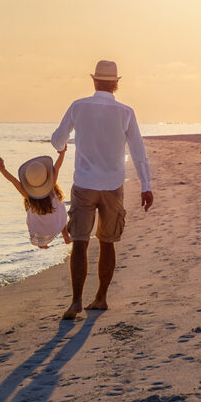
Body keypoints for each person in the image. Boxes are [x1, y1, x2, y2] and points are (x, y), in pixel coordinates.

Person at [51, 60, 153, 320]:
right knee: (108, 243)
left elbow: (57, 140)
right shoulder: (126, 112)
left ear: (94, 81)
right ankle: (101, 298)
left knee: (80, 243)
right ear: (116, 84)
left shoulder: (78, 106)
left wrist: (63, 146)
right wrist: (146, 185)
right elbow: (138, 152)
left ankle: (75, 302)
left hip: (84, 183)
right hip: (112, 185)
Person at [0, 146, 72, 249]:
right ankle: (66, 236)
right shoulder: (51, 189)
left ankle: (42, 243)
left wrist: (2, 169)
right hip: (57, 224)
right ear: (47, 175)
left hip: (40, 230)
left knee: (36, 217)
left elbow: (13, 180)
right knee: (60, 209)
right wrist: (62, 153)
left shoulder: (28, 195)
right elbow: (57, 168)